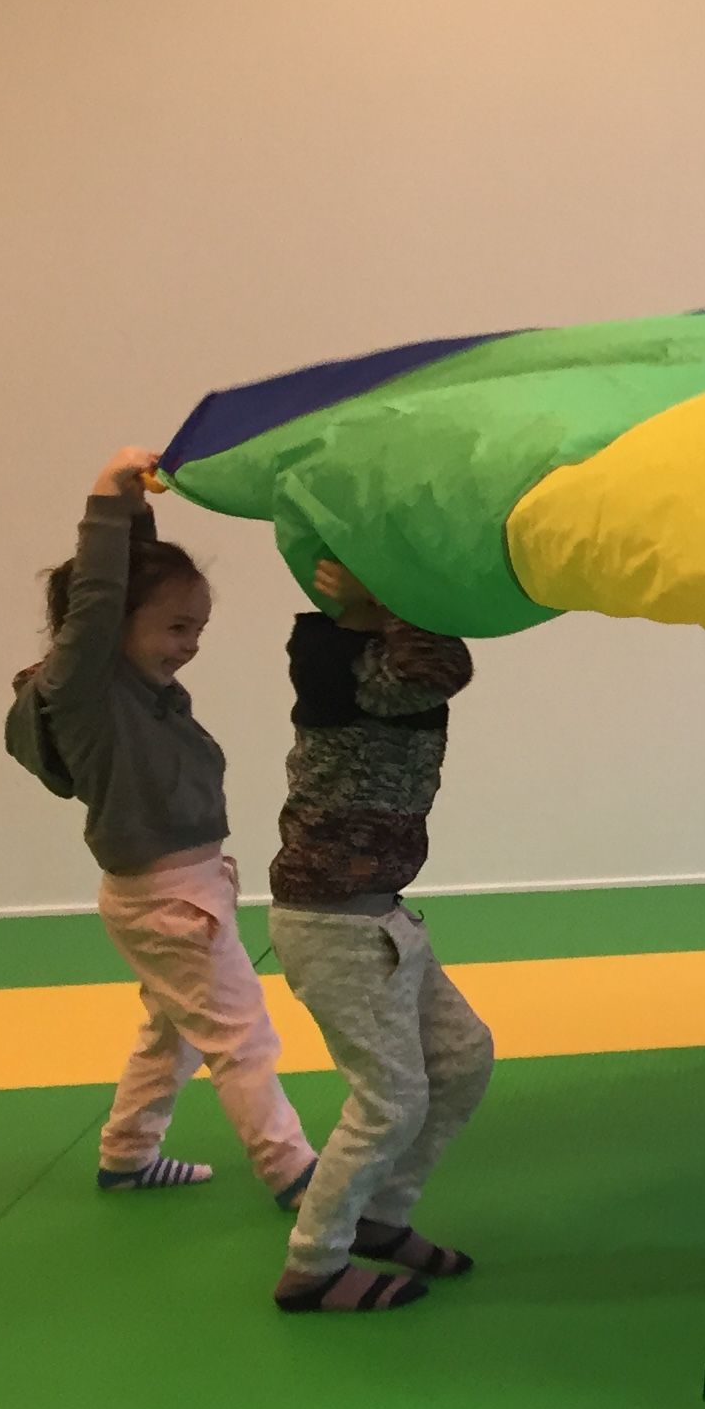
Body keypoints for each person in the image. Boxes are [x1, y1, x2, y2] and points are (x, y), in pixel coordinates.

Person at [6, 448, 317, 1204]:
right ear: (111, 623)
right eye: (177, 626)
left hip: (185, 891)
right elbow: (103, 592)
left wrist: (143, 512)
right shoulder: (87, 696)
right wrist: (109, 494)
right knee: (244, 1038)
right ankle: (297, 1175)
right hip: (169, 900)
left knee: (174, 1034)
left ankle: (127, 1154)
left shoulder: (145, 695)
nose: (192, 644)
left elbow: (124, 581)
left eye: (199, 627)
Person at [266, 559, 491, 1315]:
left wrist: (388, 592)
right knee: (389, 1101)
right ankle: (314, 1264)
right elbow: (437, 667)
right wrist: (393, 587)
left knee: (461, 1059)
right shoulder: (332, 658)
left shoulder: (381, 655)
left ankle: (380, 1217)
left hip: (378, 914)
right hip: (333, 922)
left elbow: (433, 664)